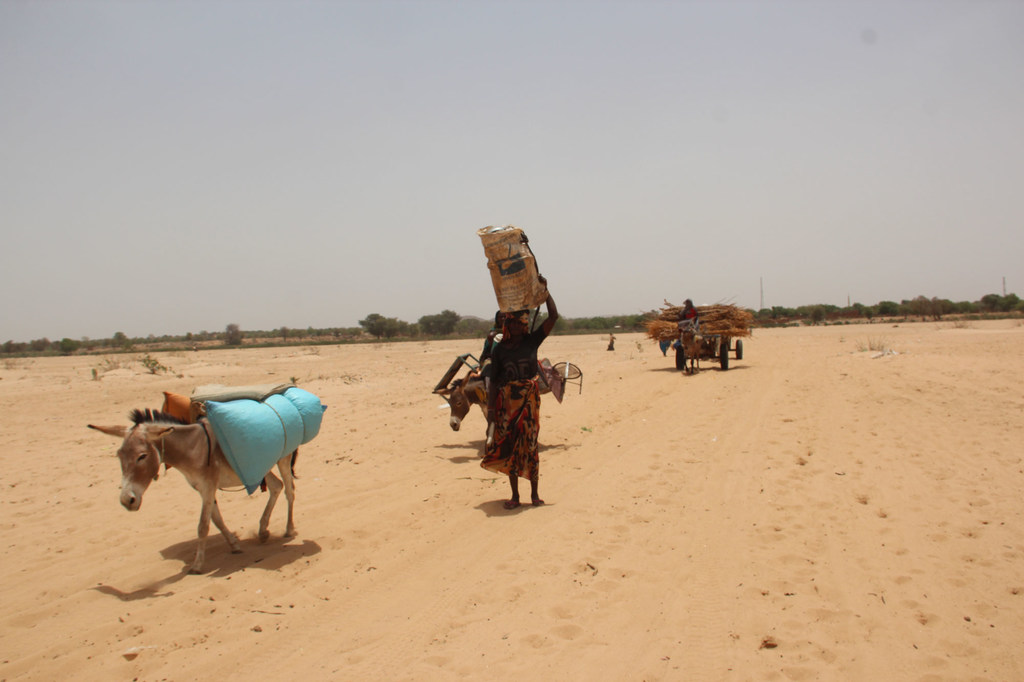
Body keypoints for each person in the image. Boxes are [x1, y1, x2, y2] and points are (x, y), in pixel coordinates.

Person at [481, 278, 559, 509]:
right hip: (506, 404)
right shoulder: (500, 349)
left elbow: (553, 317)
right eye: (513, 323)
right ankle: (515, 496)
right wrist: (493, 412)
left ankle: (534, 495)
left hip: (529, 402)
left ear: (525, 325)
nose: (517, 327)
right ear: (507, 325)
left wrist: (546, 292)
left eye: (521, 323)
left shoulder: (532, 341)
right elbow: (494, 381)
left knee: (530, 445)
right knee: (510, 447)